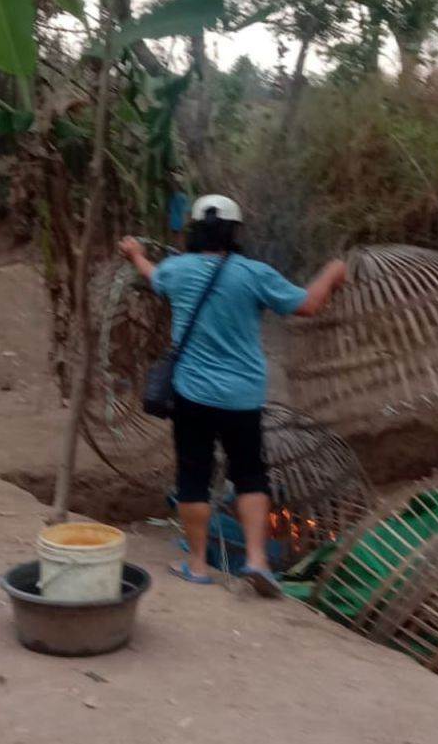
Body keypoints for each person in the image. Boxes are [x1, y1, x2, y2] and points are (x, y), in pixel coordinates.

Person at [119, 194, 347, 597]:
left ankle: (197, 564)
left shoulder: (178, 270)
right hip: (243, 397)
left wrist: (136, 253)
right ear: (234, 232)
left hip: (192, 394)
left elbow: (152, 278)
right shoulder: (254, 274)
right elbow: (308, 305)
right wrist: (332, 272)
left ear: (193, 230)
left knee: (193, 474)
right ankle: (257, 562)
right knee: (250, 474)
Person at [166, 175, 190, 251]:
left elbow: (186, 211)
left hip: (179, 222)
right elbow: (170, 211)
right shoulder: (172, 197)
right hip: (174, 222)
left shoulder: (181, 197)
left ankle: (180, 253)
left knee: (179, 240)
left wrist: (185, 222)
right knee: (175, 241)